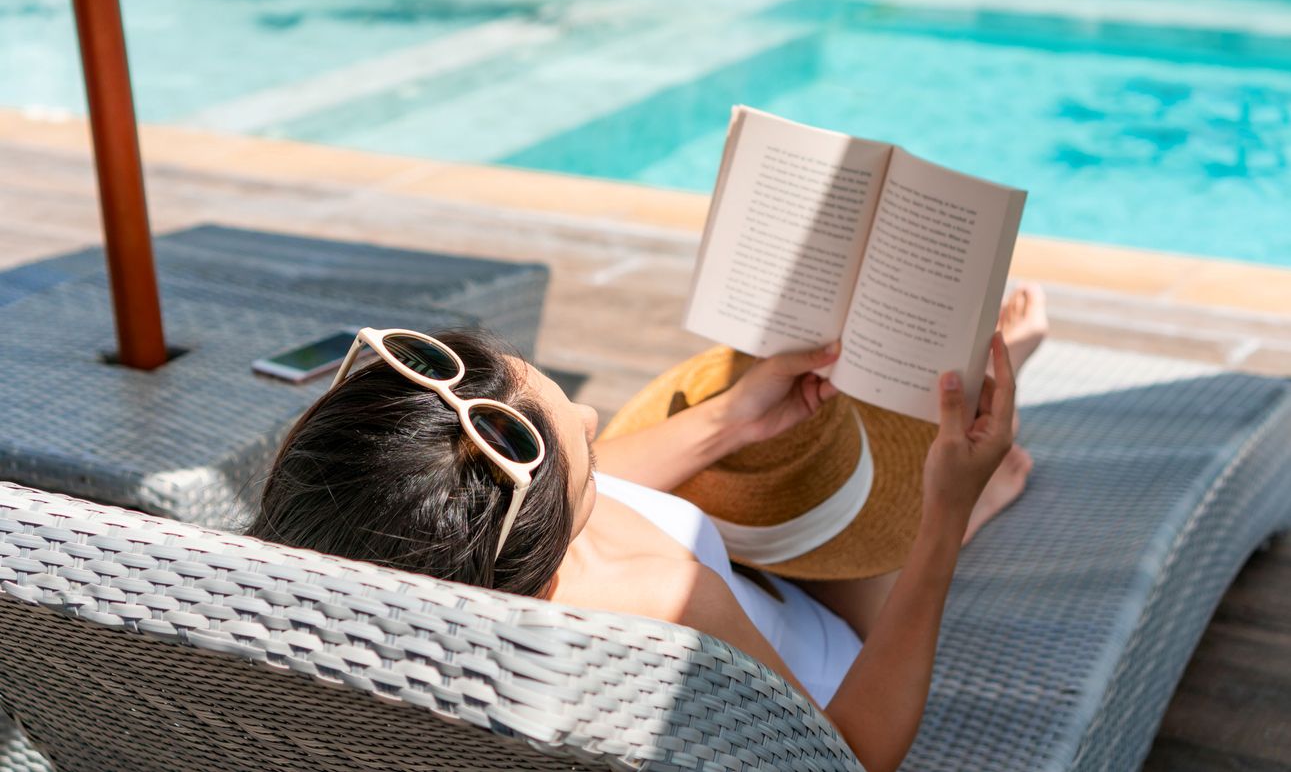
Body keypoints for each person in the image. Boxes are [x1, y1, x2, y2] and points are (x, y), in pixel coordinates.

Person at [249, 285, 1049, 772]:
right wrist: (943, 516)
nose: (596, 414)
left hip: (747, 593)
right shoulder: (660, 602)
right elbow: (855, 753)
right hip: (840, 663)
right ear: (547, 534)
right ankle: (964, 503)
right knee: (897, 475)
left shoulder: (414, 562)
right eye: (586, 449)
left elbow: (580, 482)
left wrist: (729, 422)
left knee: (806, 451)